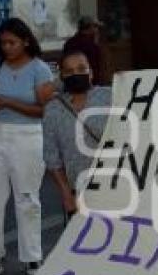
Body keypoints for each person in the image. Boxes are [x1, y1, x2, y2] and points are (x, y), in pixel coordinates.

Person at [0, 18, 55, 275]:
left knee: (27, 198)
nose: (7, 47)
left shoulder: (39, 69)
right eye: (3, 42)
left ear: (25, 41)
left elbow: (44, 111)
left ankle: (32, 256)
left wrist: (8, 102)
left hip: (28, 137)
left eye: (12, 42)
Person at [43, 51, 111, 221]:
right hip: (79, 192)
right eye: (69, 71)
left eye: (81, 68)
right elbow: (51, 158)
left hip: (117, 186)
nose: (76, 74)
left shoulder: (112, 96)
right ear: (62, 77)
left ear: (91, 72)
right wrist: (66, 193)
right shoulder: (53, 109)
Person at [63, 16, 105, 85]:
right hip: (89, 83)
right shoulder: (90, 45)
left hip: (71, 81)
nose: (97, 30)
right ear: (90, 28)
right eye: (96, 27)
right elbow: (96, 66)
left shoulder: (69, 42)